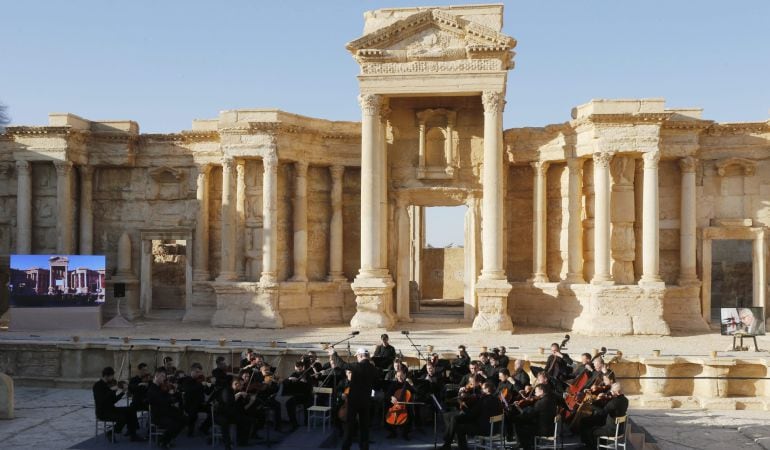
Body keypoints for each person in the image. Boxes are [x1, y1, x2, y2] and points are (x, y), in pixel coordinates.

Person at [329, 347, 381, 450]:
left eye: (357, 356)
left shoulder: (357, 366)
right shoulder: (374, 369)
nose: (357, 358)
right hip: (366, 401)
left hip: (353, 402)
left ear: (361, 355)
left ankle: (346, 447)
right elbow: (376, 384)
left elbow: (342, 365)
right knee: (364, 427)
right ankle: (364, 448)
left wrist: (334, 353)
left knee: (349, 426)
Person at [441, 381, 502, 450]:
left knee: (459, 428)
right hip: (495, 428)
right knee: (455, 419)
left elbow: (471, 415)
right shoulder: (497, 400)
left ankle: (450, 443)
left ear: (487, 390)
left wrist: (462, 405)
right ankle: (447, 443)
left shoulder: (483, 400)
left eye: (482, 389)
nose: (481, 390)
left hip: (484, 429)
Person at [92, 366, 143, 442]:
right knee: (123, 417)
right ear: (106, 376)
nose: (113, 379)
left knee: (131, 409)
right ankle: (111, 432)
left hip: (112, 409)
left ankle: (133, 434)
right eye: (112, 377)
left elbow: (113, 401)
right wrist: (111, 391)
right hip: (102, 412)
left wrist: (122, 392)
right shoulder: (97, 386)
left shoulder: (110, 385)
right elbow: (101, 400)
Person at [512, 383, 566, 450]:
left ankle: (526, 446)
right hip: (551, 426)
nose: (534, 394)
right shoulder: (551, 399)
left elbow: (529, 416)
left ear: (542, 391)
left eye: (536, 392)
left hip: (544, 430)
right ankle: (530, 444)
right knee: (524, 424)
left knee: (519, 424)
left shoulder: (540, 403)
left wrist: (519, 409)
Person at [580, 382, 628, 449]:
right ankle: (602, 448)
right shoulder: (625, 400)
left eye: (612, 391)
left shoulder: (614, 402)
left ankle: (591, 448)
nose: (611, 392)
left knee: (592, 431)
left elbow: (603, 412)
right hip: (619, 429)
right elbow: (611, 408)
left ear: (617, 392)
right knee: (597, 428)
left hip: (611, 430)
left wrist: (591, 405)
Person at [146, 368, 185, 448]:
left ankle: (168, 437)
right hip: (158, 415)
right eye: (162, 376)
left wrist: (175, 391)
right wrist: (170, 396)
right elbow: (163, 401)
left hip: (166, 411)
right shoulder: (151, 389)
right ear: (156, 376)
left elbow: (170, 399)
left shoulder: (161, 387)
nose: (164, 378)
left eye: (165, 376)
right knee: (174, 424)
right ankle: (163, 441)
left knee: (184, 418)